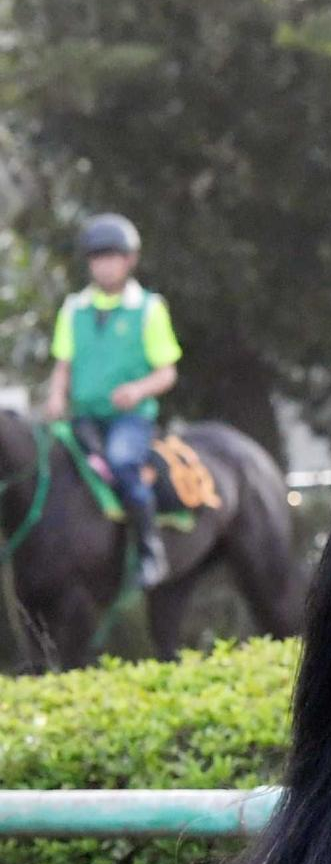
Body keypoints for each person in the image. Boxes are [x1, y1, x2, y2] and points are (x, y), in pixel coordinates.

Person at [40, 213, 181, 588]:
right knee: (50, 467)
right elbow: (63, 364)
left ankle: (151, 550)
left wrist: (138, 390)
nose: (103, 265)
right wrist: (56, 397)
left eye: (112, 256)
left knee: (120, 462)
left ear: (129, 260)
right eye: (97, 257)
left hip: (130, 418)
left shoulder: (149, 308)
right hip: (84, 417)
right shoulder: (74, 309)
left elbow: (167, 372)